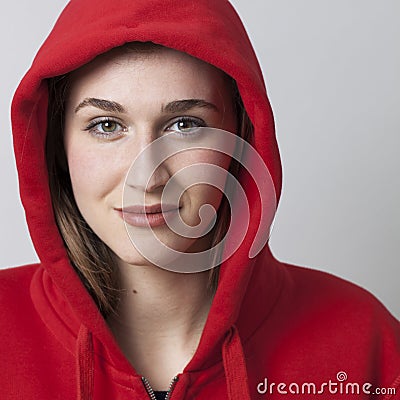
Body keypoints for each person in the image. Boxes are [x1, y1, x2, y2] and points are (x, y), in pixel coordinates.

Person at [0, 1, 399, 399]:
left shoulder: (364, 341)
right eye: (106, 125)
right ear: (56, 147)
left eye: (184, 125)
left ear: (242, 139)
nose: (148, 177)